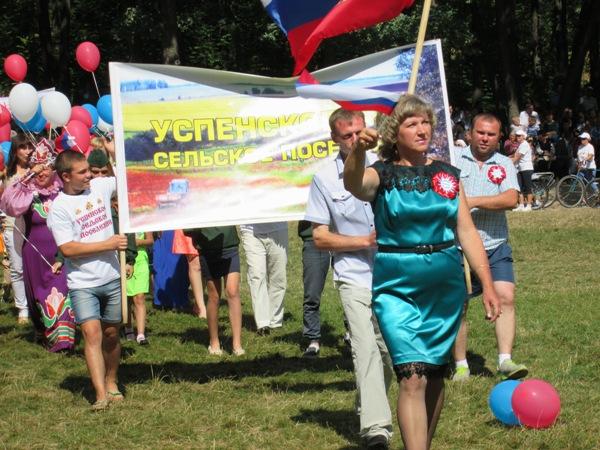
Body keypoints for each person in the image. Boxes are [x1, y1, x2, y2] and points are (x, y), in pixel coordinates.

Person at [343, 95, 501, 450]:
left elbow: (466, 230)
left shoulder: (447, 174)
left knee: (434, 374)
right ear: (394, 132)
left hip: (444, 286)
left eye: (425, 122)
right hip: (397, 286)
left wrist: (487, 284)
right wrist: (358, 151)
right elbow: (354, 184)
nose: (422, 129)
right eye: (411, 123)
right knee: (412, 377)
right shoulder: (380, 174)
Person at [305, 108, 394, 448]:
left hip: (392, 274)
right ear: (334, 138)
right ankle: (376, 428)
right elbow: (320, 237)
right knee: (365, 348)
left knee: (389, 354)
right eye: (347, 136)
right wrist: (363, 242)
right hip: (352, 275)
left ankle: (365, 402)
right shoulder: (324, 178)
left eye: (359, 132)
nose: (355, 140)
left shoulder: (386, 165)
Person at [47, 150, 128, 411]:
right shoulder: (59, 208)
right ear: (65, 176)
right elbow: (68, 248)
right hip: (82, 283)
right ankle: (100, 394)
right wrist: (108, 244)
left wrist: (115, 154)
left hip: (111, 277)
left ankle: (112, 380)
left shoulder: (99, 187)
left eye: (89, 170)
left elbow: (127, 178)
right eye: (82, 172)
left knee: (111, 334)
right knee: (91, 334)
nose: (89, 176)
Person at [451, 113, 527, 382]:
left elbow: (511, 199)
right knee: (458, 306)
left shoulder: (504, 163)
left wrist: (471, 201)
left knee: (506, 297)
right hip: (457, 247)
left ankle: (505, 360)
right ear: (470, 133)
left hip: (495, 245)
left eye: (491, 134)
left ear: (499, 138)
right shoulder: (452, 159)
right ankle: (461, 365)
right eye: (480, 132)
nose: (484, 138)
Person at [0, 140, 76, 352]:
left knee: (61, 291)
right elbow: (7, 202)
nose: (41, 173)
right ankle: (45, 332)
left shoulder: (64, 192)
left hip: (60, 252)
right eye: (37, 168)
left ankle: (64, 339)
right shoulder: (27, 193)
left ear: (54, 169)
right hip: (34, 256)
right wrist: (29, 176)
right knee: (39, 297)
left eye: (46, 168)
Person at [185, 226, 244, 356]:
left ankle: (237, 344)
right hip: (208, 250)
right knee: (214, 296)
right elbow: (187, 227)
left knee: (233, 291)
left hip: (230, 246)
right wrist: (197, 238)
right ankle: (214, 341)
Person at [1, 133, 33, 324]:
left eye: (30, 147)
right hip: (13, 224)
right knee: (17, 267)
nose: (27, 151)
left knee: (35, 265)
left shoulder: (39, 169)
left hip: (36, 223)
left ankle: (37, 301)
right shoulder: (8, 173)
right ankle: (23, 309)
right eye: (23, 147)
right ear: (15, 150)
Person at [239, 221, 288, 334]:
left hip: (278, 228)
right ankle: (262, 323)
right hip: (250, 229)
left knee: (278, 277)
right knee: (256, 275)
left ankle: (275, 320)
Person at [297, 220, 331, 357]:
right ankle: (313, 339)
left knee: (352, 289)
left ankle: (352, 333)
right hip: (314, 239)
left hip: (347, 235)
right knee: (312, 293)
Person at [172, 229, 207, 319]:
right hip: (188, 226)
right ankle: (201, 307)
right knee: (195, 263)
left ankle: (197, 304)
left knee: (205, 262)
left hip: (204, 226)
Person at [511, 129, 534, 211]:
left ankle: (529, 206)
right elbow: (514, 156)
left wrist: (507, 163)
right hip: (520, 169)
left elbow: (517, 157)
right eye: (517, 136)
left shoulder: (524, 145)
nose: (518, 137)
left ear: (524, 136)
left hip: (526, 168)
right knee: (519, 188)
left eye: (519, 136)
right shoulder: (520, 145)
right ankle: (521, 205)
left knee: (528, 188)